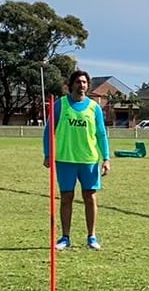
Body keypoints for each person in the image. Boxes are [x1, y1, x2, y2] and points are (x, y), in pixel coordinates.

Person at [43, 70, 111, 250]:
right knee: (66, 197)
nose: (81, 85)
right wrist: (48, 153)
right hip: (65, 159)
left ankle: (92, 237)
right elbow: (49, 130)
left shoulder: (94, 107)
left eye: (84, 83)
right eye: (78, 82)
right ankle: (65, 237)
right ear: (71, 85)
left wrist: (106, 158)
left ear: (88, 86)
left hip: (89, 160)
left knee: (90, 197)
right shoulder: (61, 105)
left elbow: (101, 133)